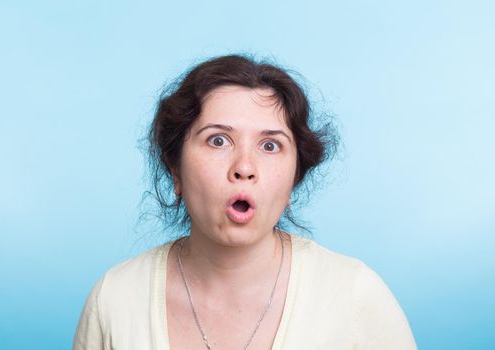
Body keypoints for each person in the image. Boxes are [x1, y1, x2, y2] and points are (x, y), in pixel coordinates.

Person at [73, 54, 417, 349]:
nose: (245, 168)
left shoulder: (356, 296)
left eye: (270, 146)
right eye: (218, 140)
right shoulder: (115, 299)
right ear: (174, 168)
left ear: (295, 178)